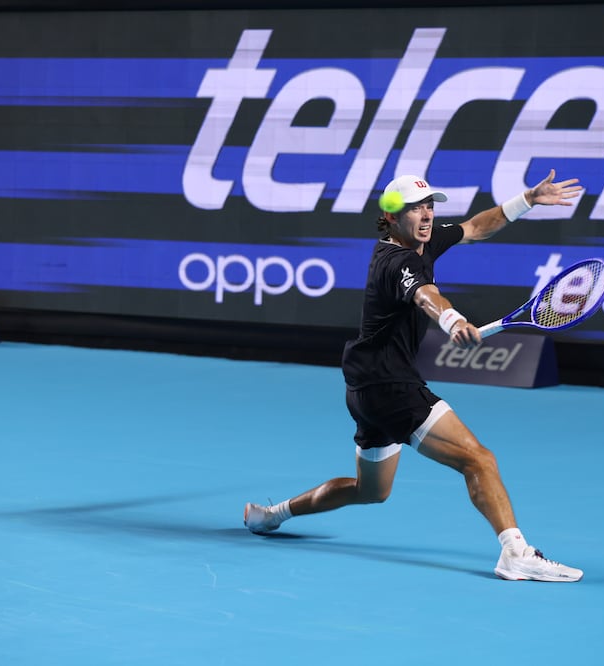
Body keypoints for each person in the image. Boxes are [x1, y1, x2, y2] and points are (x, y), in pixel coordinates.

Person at [244, 170, 584, 582]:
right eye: (414, 209)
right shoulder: (397, 261)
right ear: (390, 217)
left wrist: (526, 200)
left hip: (364, 388)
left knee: (370, 490)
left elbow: (476, 227)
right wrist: (453, 319)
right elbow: (426, 295)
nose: (425, 216)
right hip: (391, 385)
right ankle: (515, 551)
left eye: (429, 206)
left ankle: (270, 515)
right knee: (479, 460)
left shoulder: (422, 240)